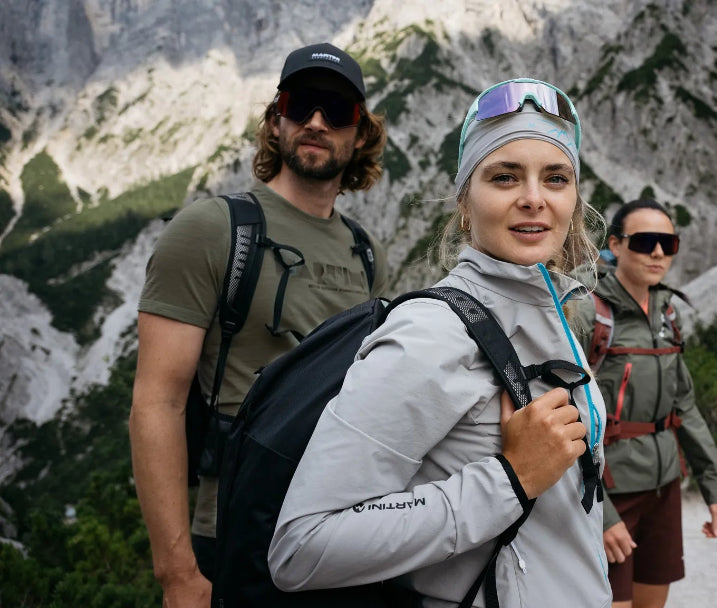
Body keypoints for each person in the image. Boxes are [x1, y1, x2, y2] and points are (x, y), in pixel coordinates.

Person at [267, 78, 611, 607]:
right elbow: (302, 547)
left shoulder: (553, 312)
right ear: (466, 203)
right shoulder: (430, 333)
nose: (534, 199)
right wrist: (510, 480)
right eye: (504, 176)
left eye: (556, 178)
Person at [129, 42, 390, 607]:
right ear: (276, 122)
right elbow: (157, 402)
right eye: (300, 106)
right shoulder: (211, 228)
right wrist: (176, 572)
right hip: (235, 530)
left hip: (343, 531)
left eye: (337, 110)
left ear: (361, 134)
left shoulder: (366, 253)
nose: (316, 122)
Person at [574, 198, 717, 608]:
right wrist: (604, 515)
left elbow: (686, 408)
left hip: (664, 489)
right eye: (645, 241)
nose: (658, 253)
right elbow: (566, 419)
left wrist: (715, 487)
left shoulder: (668, 312)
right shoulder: (588, 312)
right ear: (616, 244)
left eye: (668, 242)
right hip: (611, 489)